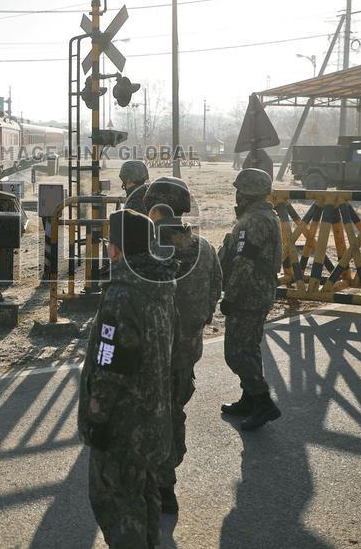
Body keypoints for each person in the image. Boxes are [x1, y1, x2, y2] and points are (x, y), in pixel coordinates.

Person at [78, 208, 176, 548]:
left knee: (115, 503)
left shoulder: (121, 296)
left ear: (117, 249)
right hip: (154, 418)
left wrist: (96, 418)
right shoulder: (160, 286)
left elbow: (110, 366)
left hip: (124, 426)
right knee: (145, 494)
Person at [144, 177, 223, 515]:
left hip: (152, 353)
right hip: (187, 351)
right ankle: (167, 483)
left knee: (148, 415)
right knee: (174, 410)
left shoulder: (147, 249)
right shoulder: (204, 248)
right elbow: (215, 290)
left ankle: (152, 481)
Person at [218, 167, 283, 431]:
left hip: (249, 295)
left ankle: (263, 402)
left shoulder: (255, 220)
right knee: (250, 348)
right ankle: (250, 399)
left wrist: (230, 296)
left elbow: (244, 262)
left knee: (236, 352)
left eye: (240, 191)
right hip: (259, 292)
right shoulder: (266, 215)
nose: (237, 195)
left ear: (248, 192)